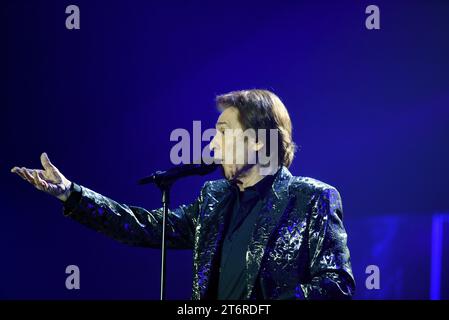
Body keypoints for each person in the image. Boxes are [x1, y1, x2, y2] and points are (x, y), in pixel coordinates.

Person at [11, 89, 355, 300]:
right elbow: (144, 227)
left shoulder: (311, 199)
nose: (211, 143)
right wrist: (71, 194)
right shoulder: (213, 200)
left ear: (258, 141)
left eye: (223, 132)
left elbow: (337, 285)